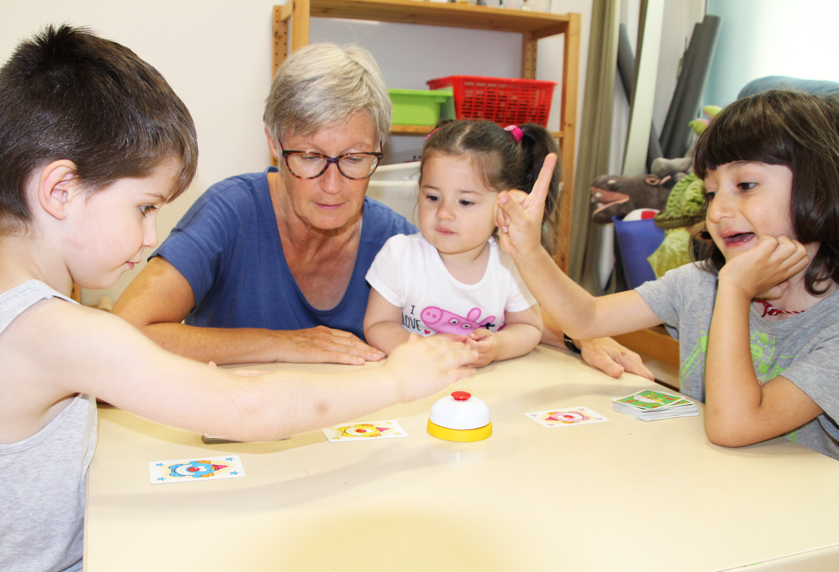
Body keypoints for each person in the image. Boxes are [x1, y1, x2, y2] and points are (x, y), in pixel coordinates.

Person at [0, 25, 476, 572]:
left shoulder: (30, 310)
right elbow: (250, 408)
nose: (150, 236)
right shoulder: (57, 332)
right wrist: (399, 381)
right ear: (60, 190)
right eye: (144, 207)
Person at [111, 42, 653, 380]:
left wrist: (583, 334)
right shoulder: (231, 212)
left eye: (354, 159)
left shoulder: (395, 237)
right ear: (274, 144)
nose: (332, 185)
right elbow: (125, 332)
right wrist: (283, 343)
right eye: (309, 157)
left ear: (381, 149)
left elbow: (493, 310)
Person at [496, 89, 839, 460]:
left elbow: (734, 426)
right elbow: (587, 319)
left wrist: (736, 291)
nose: (718, 212)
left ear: (820, 187)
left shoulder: (817, 320)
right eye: (711, 193)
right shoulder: (700, 282)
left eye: (745, 186)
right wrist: (528, 250)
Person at [364, 120, 557, 367]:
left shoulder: (510, 262)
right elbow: (378, 325)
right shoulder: (399, 254)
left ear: (503, 205)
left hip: (485, 383)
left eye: (465, 202)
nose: (444, 212)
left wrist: (499, 346)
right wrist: (422, 348)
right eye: (433, 197)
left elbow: (529, 327)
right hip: (416, 379)